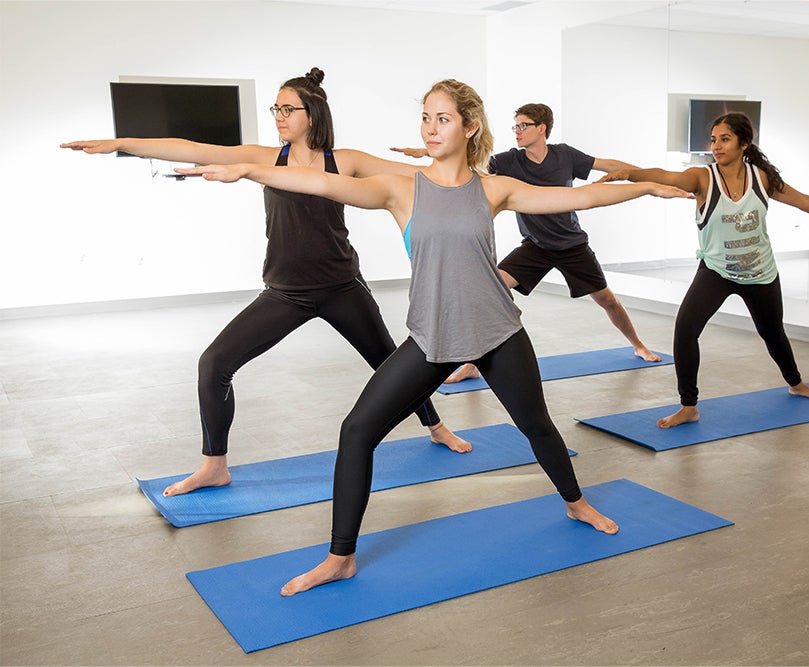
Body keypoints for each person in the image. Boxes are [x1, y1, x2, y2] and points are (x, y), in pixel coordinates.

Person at [177, 78, 693, 595]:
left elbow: (577, 195)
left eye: (442, 118)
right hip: (432, 340)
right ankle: (340, 557)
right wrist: (247, 169)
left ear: (470, 126)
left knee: (536, 427)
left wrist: (643, 187)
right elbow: (322, 184)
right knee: (356, 432)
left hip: (497, 333)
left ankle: (576, 502)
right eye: (425, 117)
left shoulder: (493, 189)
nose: (430, 128)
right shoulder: (400, 187)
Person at [61, 67, 472, 498]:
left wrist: (436, 155)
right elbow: (194, 148)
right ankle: (213, 466)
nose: (278, 115)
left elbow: (423, 177)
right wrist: (121, 143)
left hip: (342, 288)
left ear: (311, 114)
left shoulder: (344, 160)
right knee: (214, 365)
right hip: (285, 293)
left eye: (287, 108)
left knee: (389, 365)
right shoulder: (265, 157)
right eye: (275, 107)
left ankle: (437, 426)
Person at [599, 112, 809, 429]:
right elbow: (665, 175)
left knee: (772, 332)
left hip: (761, 272)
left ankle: (796, 383)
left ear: (744, 143)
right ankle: (689, 406)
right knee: (685, 331)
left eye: (725, 139)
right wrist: (629, 172)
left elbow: (802, 200)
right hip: (716, 271)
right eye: (713, 139)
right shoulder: (702, 178)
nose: (716, 146)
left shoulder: (761, 178)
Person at [393, 102, 661, 385]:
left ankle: (638, 344)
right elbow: (468, 162)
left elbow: (605, 165)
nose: (518, 132)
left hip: (572, 245)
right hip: (535, 247)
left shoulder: (565, 155)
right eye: (515, 126)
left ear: (541, 128)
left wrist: (643, 177)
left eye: (523, 125)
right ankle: (473, 361)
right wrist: (429, 151)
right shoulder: (510, 161)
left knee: (607, 300)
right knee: (487, 290)